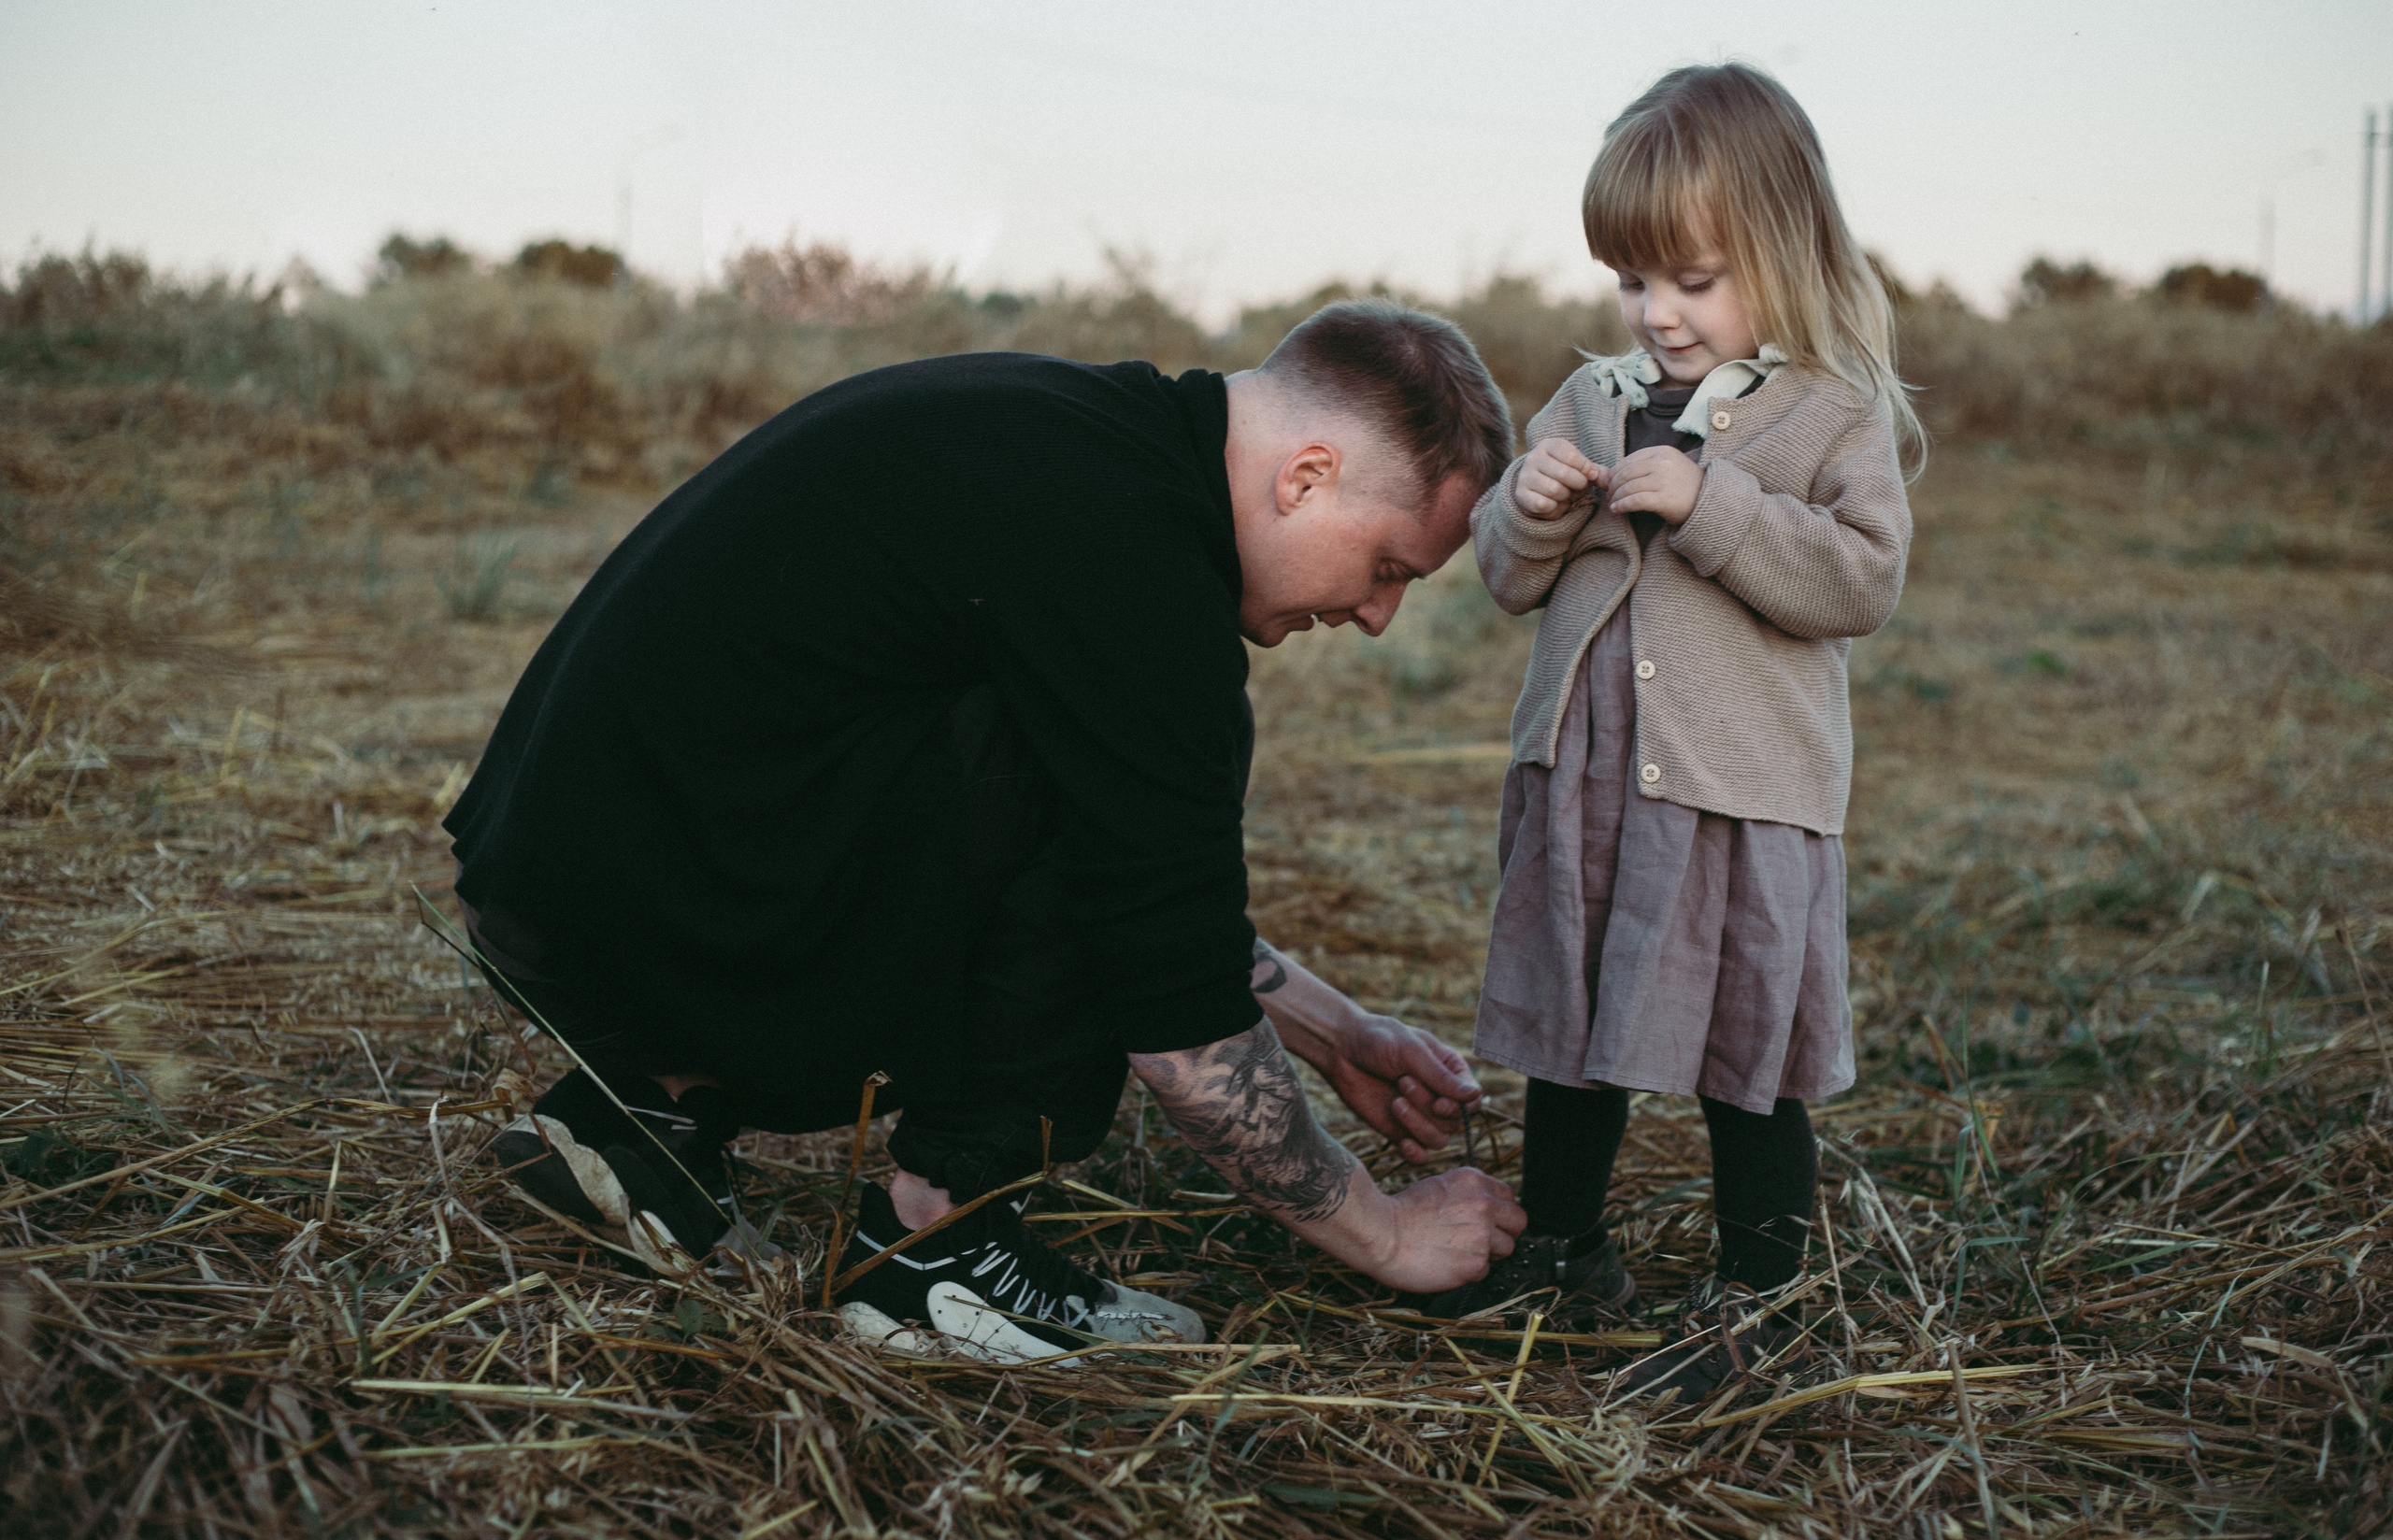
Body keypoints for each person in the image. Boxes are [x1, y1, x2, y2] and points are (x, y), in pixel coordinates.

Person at [445, 300, 1529, 1362]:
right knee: (1107, 769)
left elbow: (1158, 899)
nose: (1376, 617)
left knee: (1096, 771)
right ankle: (938, 1246)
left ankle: (644, 1123)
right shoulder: (1136, 563)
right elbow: (1169, 998)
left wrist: (1336, 1033)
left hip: (587, 890)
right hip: (674, 902)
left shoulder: (1083, 441)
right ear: (1306, 476)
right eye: (1389, 567)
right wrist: (1384, 1232)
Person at [1427, 64, 1919, 1404]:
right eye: (1632, 279)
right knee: (1573, 1030)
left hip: (1737, 793)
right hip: (1588, 776)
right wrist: (1528, 504)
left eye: (1694, 279)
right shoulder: (1591, 397)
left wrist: (1713, 506)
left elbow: (1862, 579)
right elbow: (1508, 575)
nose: (1657, 312)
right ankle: (1565, 1251)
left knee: (1744, 1053)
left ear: (1786, 252)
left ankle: (1767, 1295)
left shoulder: (1829, 409)